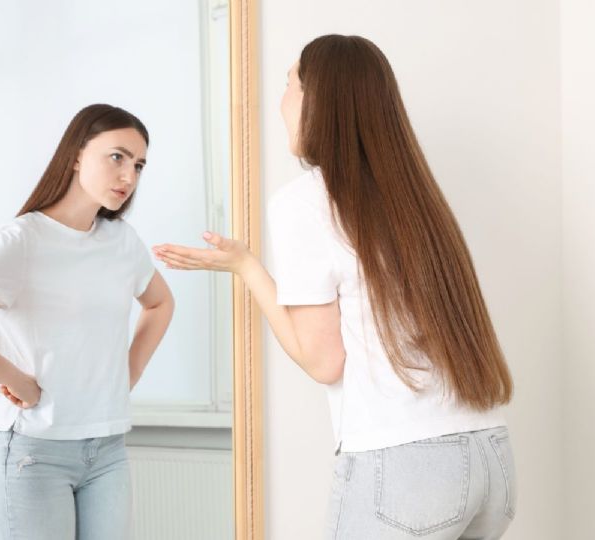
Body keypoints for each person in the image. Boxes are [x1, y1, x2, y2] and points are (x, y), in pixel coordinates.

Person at [153, 35, 517, 539]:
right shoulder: (419, 202)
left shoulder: (305, 202)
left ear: (316, 102)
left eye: (288, 83)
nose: (281, 100)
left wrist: (249, 270)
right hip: (488, 457)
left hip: (404, 467)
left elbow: (324, 362)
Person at [0, 104, 175, 540]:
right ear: (76, 155)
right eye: (117, 157)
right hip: (33, 450)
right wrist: (16, 378)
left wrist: (128, 373)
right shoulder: (19, 241)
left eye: (139, 165)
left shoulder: (121, 241)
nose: (129, 175)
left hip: (106, 448)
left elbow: (160, 304)